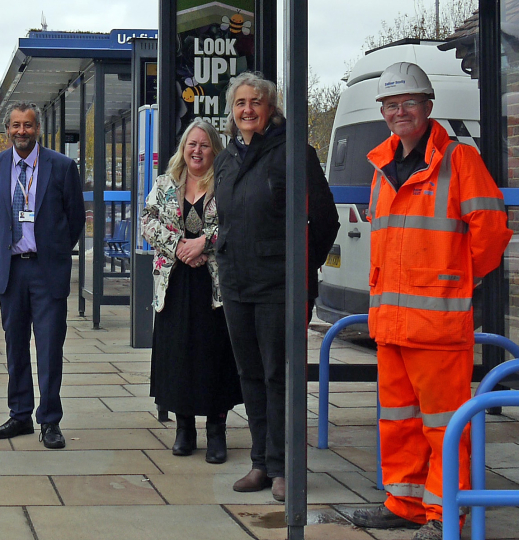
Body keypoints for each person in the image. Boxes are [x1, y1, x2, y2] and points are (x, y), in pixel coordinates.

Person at [347, 63, 511, 540]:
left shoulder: (459, 160)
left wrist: (454, 281)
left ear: (428, 107)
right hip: (392, 322)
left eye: (409, 104)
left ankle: (445, 515)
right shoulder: (382, 165)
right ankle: (404, 504)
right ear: (383, 112)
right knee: (398, 421)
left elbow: (492, 231)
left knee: (445, 426)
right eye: (391, 105)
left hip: (437, 322)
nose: (400, 113)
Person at [213, 72, 339, 501]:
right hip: (236, 284)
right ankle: (261, 463)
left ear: (271, 108)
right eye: (240, 103)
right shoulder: (227, 158)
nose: (247, 110)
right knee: (249, 375)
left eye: (255, 102)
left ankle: (286, 467)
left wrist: (302, 270)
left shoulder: (295, 154)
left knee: (279, 376)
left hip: (278, 286)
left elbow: (325, 221)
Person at [0, 101, 85, 450]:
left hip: (47, 270)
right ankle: (20, 414)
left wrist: (53, 250)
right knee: (15, 346)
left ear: (37, 128)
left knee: (50, 346)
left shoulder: (61, 166)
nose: (21, 132)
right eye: (15, 126)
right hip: (11, 270)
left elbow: (74, 220)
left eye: (27, 126)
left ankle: (50, 420)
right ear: (7, 129)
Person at [140, 119, 243, 464]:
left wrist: (204, 244)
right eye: (191, 144)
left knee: (213, 357)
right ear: (183, 150)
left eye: (203, 145)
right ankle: (184, 430)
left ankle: (217, 432)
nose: (196, 151)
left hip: (213, 288)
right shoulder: (165, 184)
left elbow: (236, 224)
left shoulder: (227, 183)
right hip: (174, 284)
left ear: (215, 148)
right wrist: (181, 245)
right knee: (177, 356)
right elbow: (148, 221)